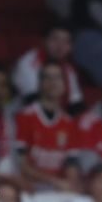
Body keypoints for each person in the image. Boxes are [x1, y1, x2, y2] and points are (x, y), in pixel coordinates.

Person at [15, 61, 79, 192]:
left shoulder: (69, 123)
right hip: (30, 189)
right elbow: (21, 164)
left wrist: (71, 185)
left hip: (59, 189)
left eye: (57, 77)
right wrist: (54, 181)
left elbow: (71, 165)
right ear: (39, 83)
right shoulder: (24, 117)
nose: (53, 82)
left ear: (64, 85)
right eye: (47, 77)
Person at [13, 23, 83, 110]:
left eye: (66, 41)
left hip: (56, 117)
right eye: (55, 39)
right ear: (44, 40)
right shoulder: (28, 62)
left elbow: (75, 103)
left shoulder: (69, 69)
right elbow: (32, 99)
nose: (60, 46)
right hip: (23, 115)